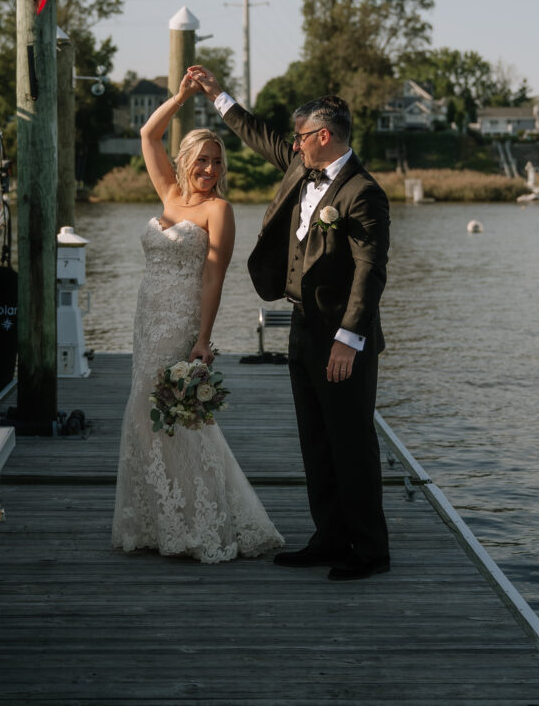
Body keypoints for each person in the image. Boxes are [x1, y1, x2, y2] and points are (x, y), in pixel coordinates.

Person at [188, 65, 390, 581]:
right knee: (316, 440)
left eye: (301, 137)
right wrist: (217, 95)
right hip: (302, 326)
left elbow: (370, 272)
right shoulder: (302, 165)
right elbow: (258, 135)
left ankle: (368, 551)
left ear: (323, 137)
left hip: (341, 336)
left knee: (351, 443)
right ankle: (328, 538)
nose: (293, 145)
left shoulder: (363, 192)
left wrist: (349, 340)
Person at [111, 73, 284, 563]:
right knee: (145, 415)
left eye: (216, 162)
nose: (209, 169)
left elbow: (214, 278)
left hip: (182, 318)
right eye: (202, 160)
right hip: (147, 315)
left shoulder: (219, 210)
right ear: (185, 162)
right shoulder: (168, 194)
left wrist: (203, 339)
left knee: (177, 416)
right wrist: (181, 98)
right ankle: (157, 519)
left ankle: (203, 520)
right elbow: (148, 135)